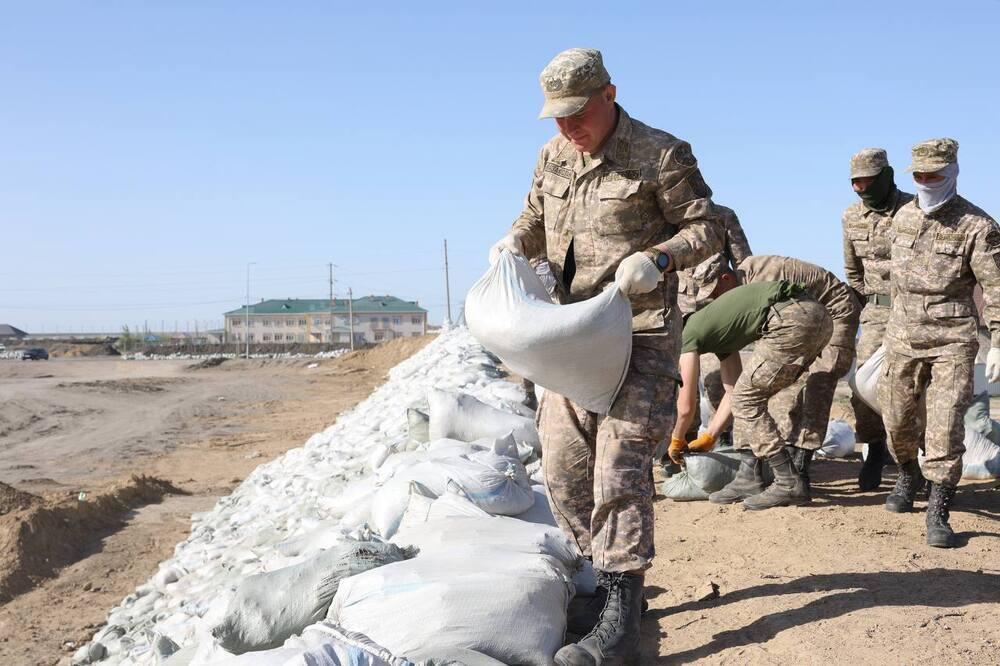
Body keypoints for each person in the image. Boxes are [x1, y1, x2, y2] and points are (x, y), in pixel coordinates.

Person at [489, 47, 723, 665]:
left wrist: (662, 259)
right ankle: (603, 578)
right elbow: (534, 218)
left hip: (640, 330)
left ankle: (622, 609)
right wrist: (512, 243)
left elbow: (708, 228)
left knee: (618, 467)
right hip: (571, 334)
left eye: (578, 113)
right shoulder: (553, 155)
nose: (569, 127)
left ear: (609, 95)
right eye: (557, 117)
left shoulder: (662, 153)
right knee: (565, 469)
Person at [879, 138, 1000, 548]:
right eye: (919, 175)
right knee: (896, 419)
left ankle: (939, 506)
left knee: (946, 424)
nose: (927, 181)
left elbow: (996, 288)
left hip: (953, 338)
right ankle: (908, 473)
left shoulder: (978, 227)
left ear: (953, 173)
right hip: (900, 335)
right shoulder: (901, 218)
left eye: (935, 174)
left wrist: (998, 341)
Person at [677, 255, 859, 507]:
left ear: (727, 278)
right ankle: (748, 471)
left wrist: (677, 437)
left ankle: (796, 472)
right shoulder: (731, 311)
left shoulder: (764, 277)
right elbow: (735, 387)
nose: (712, 302)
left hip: (833, 310)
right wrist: (711, 434)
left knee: (815, 383)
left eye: (714, 293)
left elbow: (685, 407)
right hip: (792, 318)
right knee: (750, 388)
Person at [842, 148, 914, 490]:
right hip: (876, 314)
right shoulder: (850, 217)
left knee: (914, 386)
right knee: (861, 385)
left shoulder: (916, 210)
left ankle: (920, 458)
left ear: (886, 177)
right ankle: (874, 449)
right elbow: (852, 272)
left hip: (916, 312)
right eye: (855, 183)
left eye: (868, 181)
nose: (860, 188)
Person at [675, 206, 753, 447]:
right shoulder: (668, 217)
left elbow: (744, 265)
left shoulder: (723, 216)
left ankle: (723, 439)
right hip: (680, 312)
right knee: (680, 384)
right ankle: (681, 448)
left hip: (717, 310)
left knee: (718, 383)